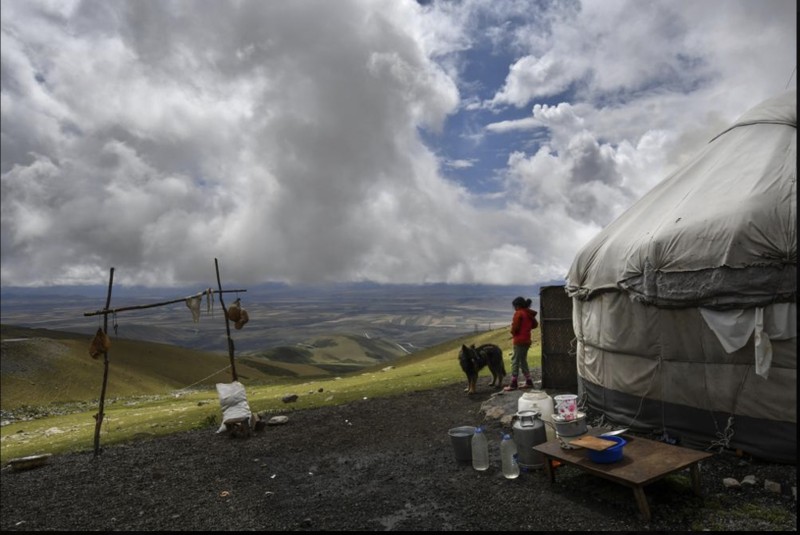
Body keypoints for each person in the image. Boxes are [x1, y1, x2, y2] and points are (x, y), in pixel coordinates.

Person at [503, 296, 539, 391]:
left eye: (514, 306)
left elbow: (515, 328)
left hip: (519, 341)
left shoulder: (518, 313)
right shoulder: (528, 313)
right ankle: (529, 381)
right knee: (523, 360)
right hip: (527, 340)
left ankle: (513, 384)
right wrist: (526, 328)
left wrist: (513, 333)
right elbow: (535, 325)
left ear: (517, 305)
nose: (514, 308)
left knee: (515, 360)